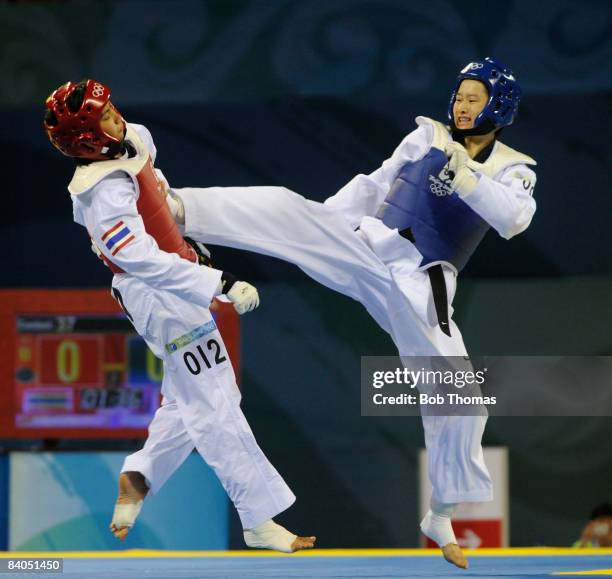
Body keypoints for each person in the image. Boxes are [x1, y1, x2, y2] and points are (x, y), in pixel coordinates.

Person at [162, 57, 536, 568]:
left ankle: (442, 513)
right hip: (368, 249)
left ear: (500, 106)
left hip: (421, 284)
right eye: (460, 95)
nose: (462, 105)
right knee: (286, 207)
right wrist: (323, 222)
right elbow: (374, 184)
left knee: (464, 402)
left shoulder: (513, 168)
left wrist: (466, 175)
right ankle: (178, 206)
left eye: (475, 98)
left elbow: (514, 219)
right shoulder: (426, 135)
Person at [43, 79, 315, 553]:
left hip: (177, 277)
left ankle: (142, 472)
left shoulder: (134, 140)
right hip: (155, 295)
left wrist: (193, 252)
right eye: (105, 118)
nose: (117, 118)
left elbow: (157, 199)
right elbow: (138, 259)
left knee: (200, 393)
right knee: (212, 399)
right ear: (87, 139)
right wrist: (218, 283)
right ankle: (257, 517)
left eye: (112, 109)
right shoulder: (99, 194)